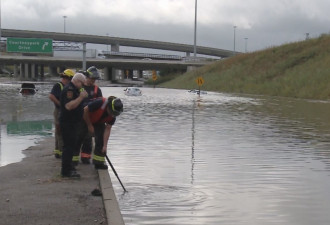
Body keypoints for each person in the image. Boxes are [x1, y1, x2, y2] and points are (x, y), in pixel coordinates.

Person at [60, 73, 88, 178]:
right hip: (67, 122)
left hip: (73, 123)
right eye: (82, 83)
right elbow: (68, 106)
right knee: (68, 147)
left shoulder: (75, 90)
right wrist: (81, 97)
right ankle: (66, 171)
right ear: (77, 81)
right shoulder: (69, 90)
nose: (82, 86)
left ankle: (70, 167)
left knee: (72, 146)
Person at [73, 66, 103, 165]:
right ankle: (73, 160)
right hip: (79, 118)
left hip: (90, 118)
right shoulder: (79, 87)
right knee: (77, 138)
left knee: (88, 139)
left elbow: (100, 104)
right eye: (92, 79)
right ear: (87, 77)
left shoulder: (96, 90)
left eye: (94, 79)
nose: (93, 81)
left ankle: (86, 158)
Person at [83, 96, 123, 169]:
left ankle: (98, 163)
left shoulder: (113, 116)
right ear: (109, 107)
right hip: (85, 117)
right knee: (85, 137)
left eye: (115, 114)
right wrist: (89, 125)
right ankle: (81, 158)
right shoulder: (99, 103)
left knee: (101, 140)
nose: (112, 115)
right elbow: (85, 110)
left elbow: (107, 129)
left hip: (98, 121)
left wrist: (105, 146)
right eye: (112, 112)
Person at [49, 69, 74, 159]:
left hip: (65, 111)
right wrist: (60, 104)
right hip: (59, 111)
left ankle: (59, 151)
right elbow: (51, 96)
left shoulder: (68, 87)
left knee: (61, 131)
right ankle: (60, 151)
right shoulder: (58, 86)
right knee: (59, 131)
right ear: (68, 78)